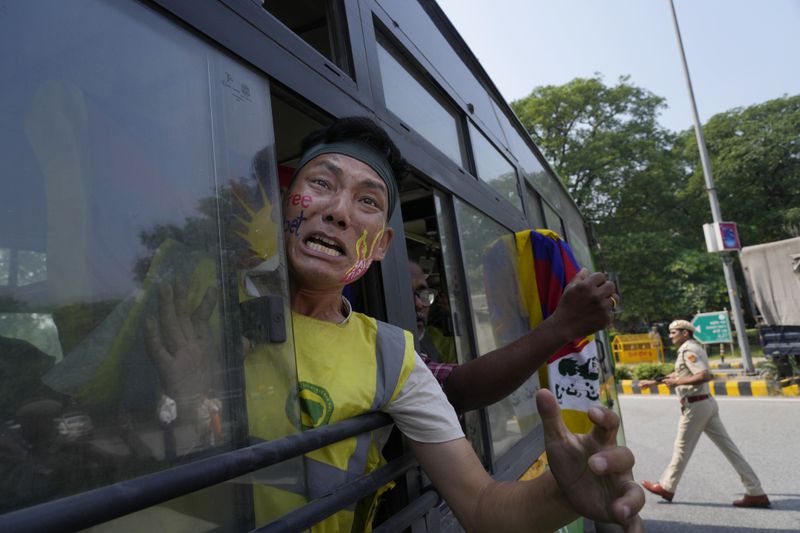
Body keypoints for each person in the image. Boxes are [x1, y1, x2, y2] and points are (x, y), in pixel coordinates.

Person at [146, 117, 644, 532]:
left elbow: (483, 507)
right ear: (283, 206)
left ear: (381, 245)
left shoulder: (392, 357)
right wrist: (187, 409)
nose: (338, 212)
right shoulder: (195, 303)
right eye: (321, 183)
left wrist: (561, 496)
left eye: (367, 201)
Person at [409, 259, 617, 413]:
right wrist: (563, 325)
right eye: (407, 293)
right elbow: (455, 390)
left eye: (422, 293)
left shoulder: (432, 339)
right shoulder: (390, 351)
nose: (419, 304)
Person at [639, 319, 770, 507]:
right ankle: (755, 491)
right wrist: (654, 382)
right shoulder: (691, 348)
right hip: (705, 403)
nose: (670, 336)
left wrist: (678, 383)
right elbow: (681, 375)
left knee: (681, 448)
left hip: (696, 407)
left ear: (685, 333)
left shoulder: (688, 350)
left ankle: (667, 487)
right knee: (730, 450)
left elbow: (703, 375)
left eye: (674, 332)